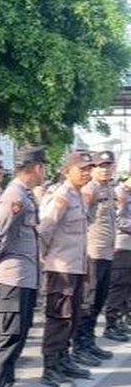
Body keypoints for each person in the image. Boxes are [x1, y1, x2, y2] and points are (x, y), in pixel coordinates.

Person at [0, 147, 46, 387]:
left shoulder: (26, 195)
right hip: (12, 279)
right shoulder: (14, 197)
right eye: (43, 166)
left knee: (18, 338)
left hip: (26, 277)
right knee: (8, 340)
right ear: (36, 168)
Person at [39, 150, 94, 387]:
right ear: (66, 170)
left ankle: (64, 359)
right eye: (82, 169)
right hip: (60, 268)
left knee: (73, 316)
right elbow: (45, 229)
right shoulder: (61, 196)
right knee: (59, 319)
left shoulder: (79, 196)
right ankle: (51, 368)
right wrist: (44, 259)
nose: (86, 173)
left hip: (76, 266)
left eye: (88, 169)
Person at [72, 150, 115, 361]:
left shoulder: (109, 188)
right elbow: (82, 218)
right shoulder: (90, 189)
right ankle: (80, 346)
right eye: (100, 166)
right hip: (93, 251)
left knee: (99, 299)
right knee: (89, 301)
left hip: (107, 251)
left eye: (108, 165)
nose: (105, 169)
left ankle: (89, 342)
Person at [103, 174, 131, 341]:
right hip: (122, 247)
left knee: (128, 288)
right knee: (119, 286)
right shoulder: (119, 193)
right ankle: (111, 323)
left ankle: (122, 319)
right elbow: (118, 220)